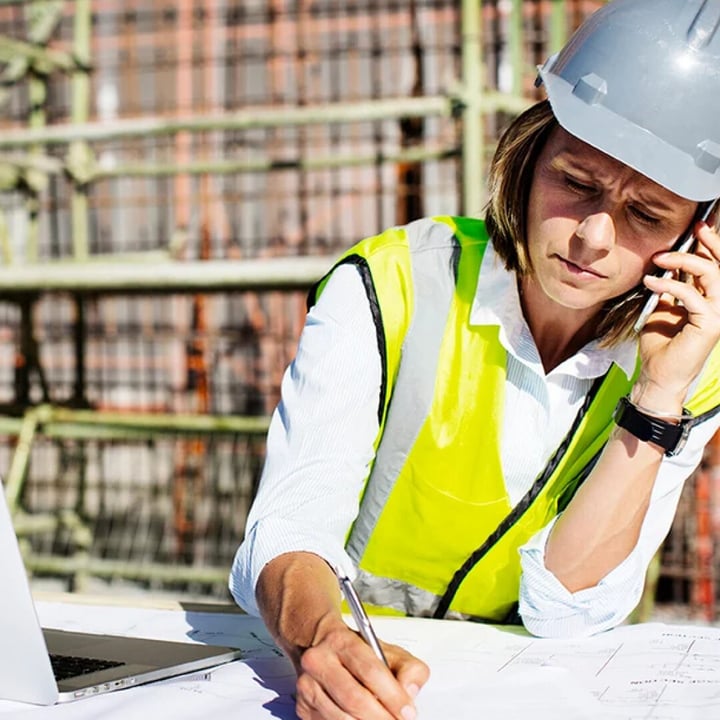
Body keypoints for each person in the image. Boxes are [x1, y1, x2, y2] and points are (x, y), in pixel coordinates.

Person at [230, 0, 720, 717]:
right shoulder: (391, 285)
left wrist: (653, 404)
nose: (591, 235)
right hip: (347, 673)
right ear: (529, 156)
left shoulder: (691, 371)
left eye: (646, 215)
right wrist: (323, 640)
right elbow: (287, 527)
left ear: (698, 237)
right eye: (575, 182)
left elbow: (566, 613)